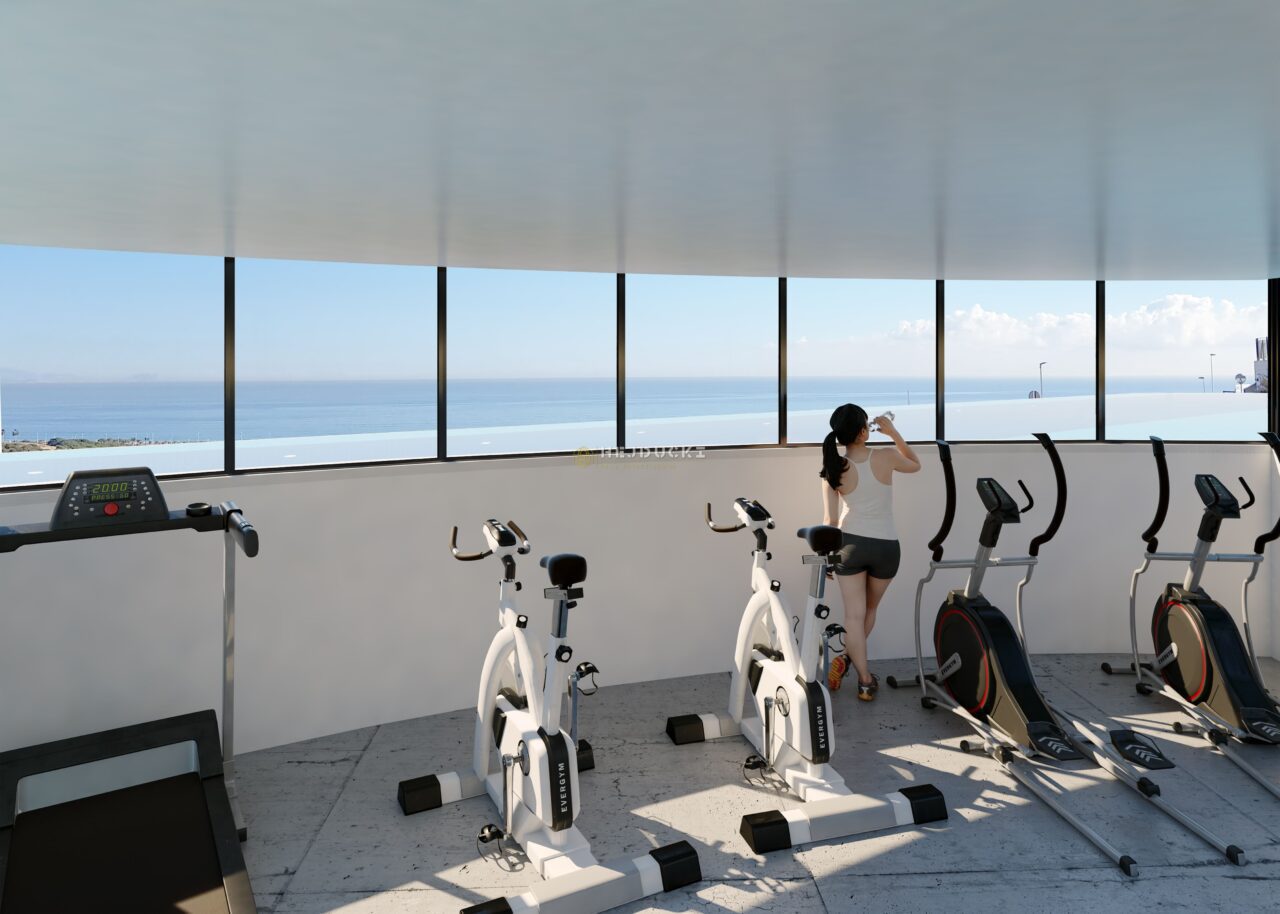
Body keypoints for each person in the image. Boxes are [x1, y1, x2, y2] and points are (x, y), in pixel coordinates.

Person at [819, 403, 920, 700]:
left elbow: (830, 521)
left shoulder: (833, 469)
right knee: (870, 610)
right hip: (886, 547)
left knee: (854, 616)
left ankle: (863, 680)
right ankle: (848, 662)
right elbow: (915, 464)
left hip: (850, 545)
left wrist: (827, 558)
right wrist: (893, 432)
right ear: (864, 432)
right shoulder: (887, 456)